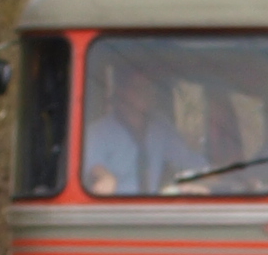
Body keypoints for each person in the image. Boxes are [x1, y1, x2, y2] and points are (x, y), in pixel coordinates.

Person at [80, 57, 195, 196]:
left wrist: (210, 175)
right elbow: (91, 164)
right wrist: (105, 176)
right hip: (116, 206)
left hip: (150, 206)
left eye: (150, 88)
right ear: (122, 92)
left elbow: (186, 159)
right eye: (139, 88)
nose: (147, 93)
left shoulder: (161, 127)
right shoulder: (98, 132)